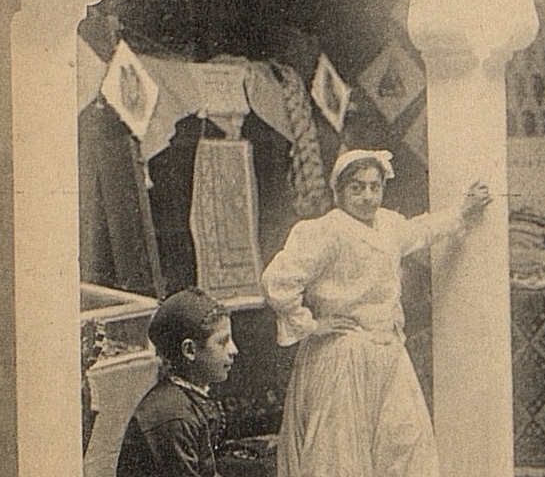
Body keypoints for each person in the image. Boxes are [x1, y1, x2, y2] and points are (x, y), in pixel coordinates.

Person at [261, 149, 491, 477]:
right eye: (357, 188)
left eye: (374, 187)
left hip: (388, 350)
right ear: (338, 192)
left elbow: (423, 230)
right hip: (343, 354)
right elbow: (278, 281)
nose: (367, 197)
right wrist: (311, 325)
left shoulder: (389, 226)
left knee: (404, 439)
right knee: (340, 452)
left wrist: (462, 212)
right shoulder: (327, 231)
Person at [116, 287, 239, 477]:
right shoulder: (174, 417)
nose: (233, 350)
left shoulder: (190, 398)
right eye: (222, 342)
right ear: (189, 350)